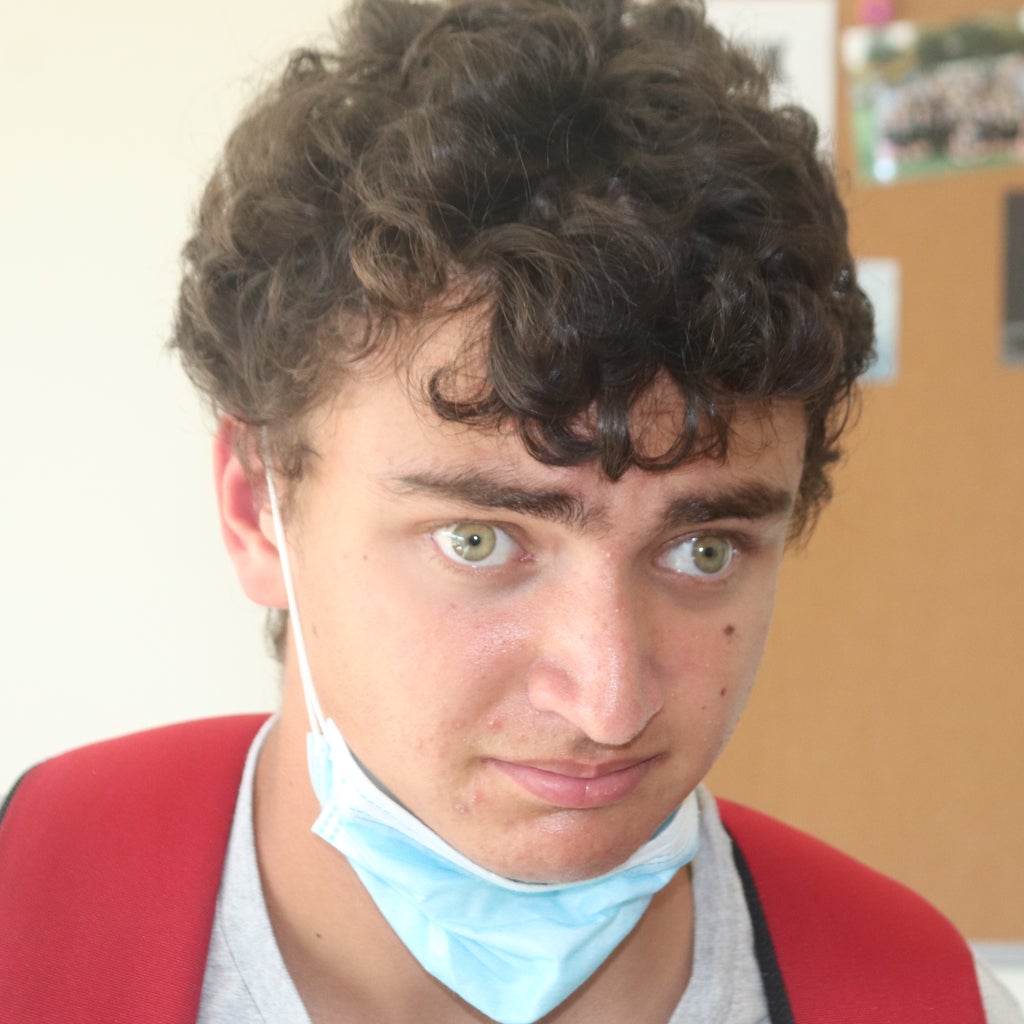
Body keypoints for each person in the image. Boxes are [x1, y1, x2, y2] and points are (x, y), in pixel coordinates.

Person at [1, 1, 1020, 1022]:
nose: (608, 705)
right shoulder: (31, 926)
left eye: (702, 550)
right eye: (479, 540)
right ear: (256, 508)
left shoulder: (923, 998)